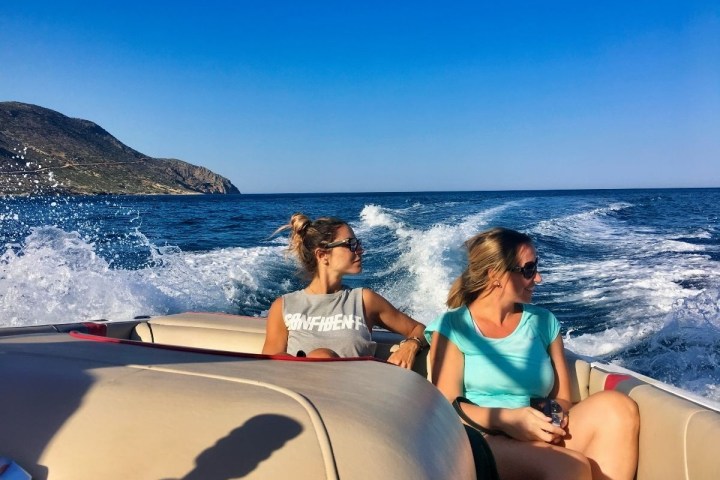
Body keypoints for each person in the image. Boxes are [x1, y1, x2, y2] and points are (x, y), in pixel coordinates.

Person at [425, 227, 639, 480]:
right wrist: (509, 421)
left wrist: (545, 422)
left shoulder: (543, 322)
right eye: (528, 269)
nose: (538, 278)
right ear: (495, 275)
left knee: (618, 408)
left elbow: (562, 398)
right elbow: (449, 406)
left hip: (536, 428)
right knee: (569, 465)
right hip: (481, 437)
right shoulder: (454, 326)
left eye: (535, 267)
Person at [262, 213, 427, 368]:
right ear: (322, 255)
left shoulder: (364, 300)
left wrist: (411, 345)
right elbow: (270, 369)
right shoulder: (284, 306)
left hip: (350, 393)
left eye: (358, 243)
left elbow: (420, 329)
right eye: (351, 244)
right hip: (300, 392)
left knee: (322, 356)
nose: (360, 250)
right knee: (319, 356)